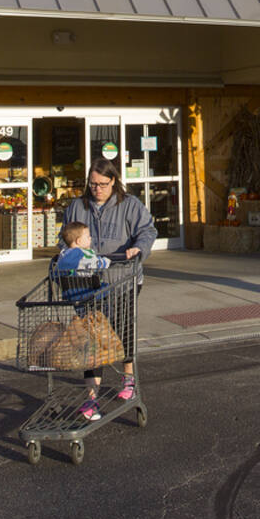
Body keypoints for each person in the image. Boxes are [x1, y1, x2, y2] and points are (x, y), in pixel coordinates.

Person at [61, 157, 156, 418]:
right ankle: (92, 398)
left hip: (123, 279)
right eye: (92, 184)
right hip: (89, 284)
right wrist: (68, 256)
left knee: (123, 329)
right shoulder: (77, 207)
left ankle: (128, 379)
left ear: (113, 181)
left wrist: (139, 248)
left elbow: (148, 231)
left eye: (102, 184)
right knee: (92, 340)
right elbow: (65, 238)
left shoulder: (130, 205)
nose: (97, 189)